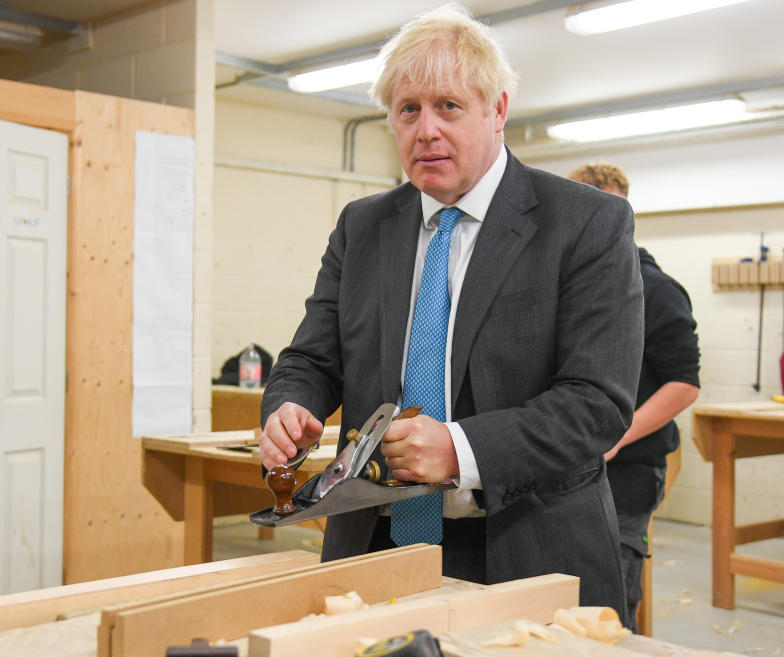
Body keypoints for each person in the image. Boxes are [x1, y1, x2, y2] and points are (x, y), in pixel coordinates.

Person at [259, 5, 644, 618]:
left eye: (449, 106)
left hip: (526, 546)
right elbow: (312, 356)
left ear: (497, 111)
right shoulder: (364, 226)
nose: (426, 129)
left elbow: (597, 403)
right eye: (408, 109)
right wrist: (290, 404)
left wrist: (462, 451)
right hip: (376, 544)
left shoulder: (585, 222)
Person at [568, 162, 701, 630]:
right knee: (563, 593)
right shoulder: (569, 286)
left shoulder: (656, 289)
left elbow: (684, 383)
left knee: (612, 598)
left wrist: (618, 436)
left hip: (627, 470)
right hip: (565, 467)